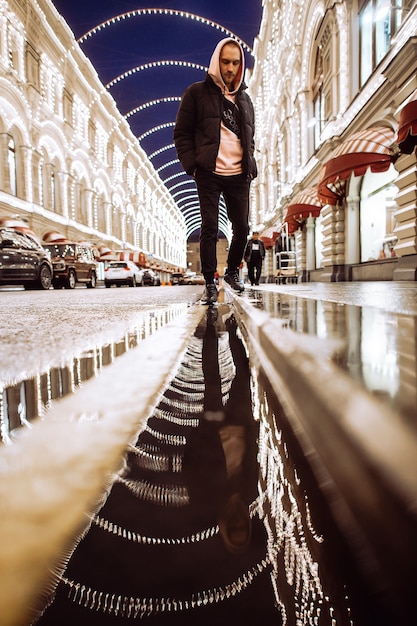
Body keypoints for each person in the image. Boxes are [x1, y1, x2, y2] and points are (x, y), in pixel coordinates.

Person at [174, 38, 257, 305]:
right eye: (225, 62)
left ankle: (232, 272)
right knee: (209, 227)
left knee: (242, 227)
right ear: (216, 62)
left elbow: (250, 135)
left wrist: (250, 164)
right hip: (209, 172)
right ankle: (210, 281)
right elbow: (182, 133)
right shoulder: (196, 93)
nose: (230, 68)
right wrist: (193, 166)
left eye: (235, 62)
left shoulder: (244, 100)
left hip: (239, 174)